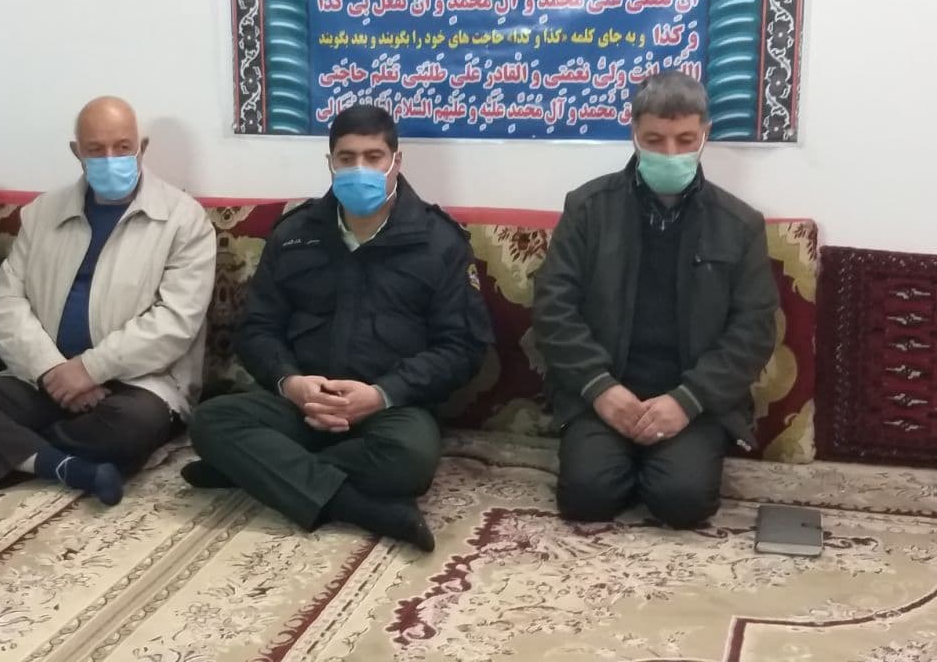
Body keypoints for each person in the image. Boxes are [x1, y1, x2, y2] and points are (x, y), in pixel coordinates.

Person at [184, 104, 493, 551]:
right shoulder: (294, 234)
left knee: (410, 460)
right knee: (211, 421)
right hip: (299, 402)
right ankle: (355, 505)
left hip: (389, 408)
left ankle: (257, 468)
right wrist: (291, 383)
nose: (359, 169)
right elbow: (257, 329)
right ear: (330, 162)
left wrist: (382, 393)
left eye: (373, 157)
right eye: (347, 158)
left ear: (396, 161)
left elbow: (463, 347)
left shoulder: (439, 241)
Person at [0, 96, 216, 504]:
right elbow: (4, 304)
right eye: (96, 149)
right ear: (77, 152)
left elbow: (174, 322)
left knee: (128, 430)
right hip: (46, 379)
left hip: (136, 386)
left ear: (142, 147)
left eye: (123, 147)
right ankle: (65, 465)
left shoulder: (184, 219)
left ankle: (1, 446)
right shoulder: (43, 213)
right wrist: (52, 369)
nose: (110, 158)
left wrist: (91, 368)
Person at [533, 71, 779, 529]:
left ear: (705, 135)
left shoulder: (740, 224)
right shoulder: (588, 207)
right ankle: (621, 459)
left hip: (693, 398)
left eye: (685, 140)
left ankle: (662, 463)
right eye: (655, 139)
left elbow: (754, 328)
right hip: (605, 390)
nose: (670, 153)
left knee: (682, 501)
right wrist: (600, 388)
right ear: (633, 133)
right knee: (587, 496)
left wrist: (688, 400)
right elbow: (553, 306)